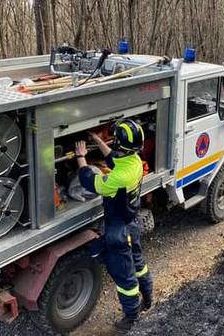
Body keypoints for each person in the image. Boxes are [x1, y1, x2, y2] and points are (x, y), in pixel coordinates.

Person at [75, 119, 153, 332]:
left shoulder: (117, 179)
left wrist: (81, 157)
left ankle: (131, 317)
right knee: (138, 263)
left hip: (118, 230)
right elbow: (114, 159)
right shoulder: (135, 161)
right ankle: (148, 298)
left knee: (124, 277)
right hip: (132, 222)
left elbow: (89, 181)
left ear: (120, 144)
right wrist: (98, 140)